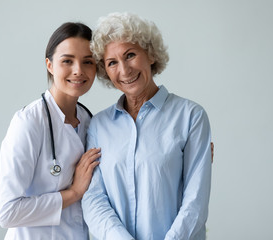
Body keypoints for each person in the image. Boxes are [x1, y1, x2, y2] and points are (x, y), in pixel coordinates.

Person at [82, 12, 212, 240]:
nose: (124, 70)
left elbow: (196, 201)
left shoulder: (191, 116)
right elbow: (94, 199)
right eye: (112, 63)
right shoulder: (98, 126)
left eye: (130, 55)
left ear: (150, 54)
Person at [0, 22, 101, 240]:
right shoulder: (29, 122)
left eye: (87, 62)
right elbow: (6, 212)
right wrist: (73, 193)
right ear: (49, 65)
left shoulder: (90, 121)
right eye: (67, 61)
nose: (78, 70)